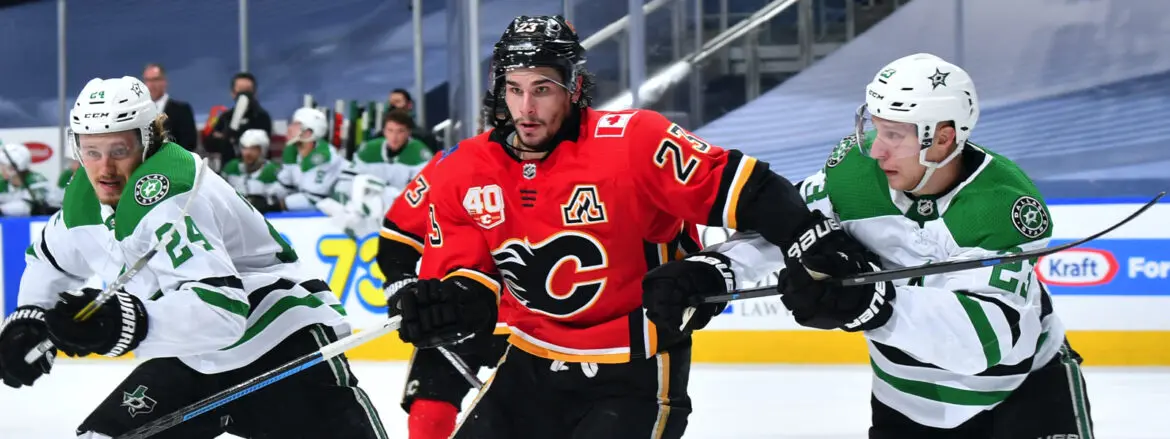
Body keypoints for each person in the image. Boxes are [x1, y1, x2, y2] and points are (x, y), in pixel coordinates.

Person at [389, 15, 825, 438]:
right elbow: (471, 279)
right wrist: (447, 306)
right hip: (529, 362)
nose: (525, 108)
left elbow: (752, 192)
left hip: (631, 370)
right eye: (514, 89)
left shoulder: (634, 141)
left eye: (542, 89)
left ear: (575, 87)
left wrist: (815, 245)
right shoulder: (467, 166)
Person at [654, 53, 1094, 439]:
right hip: (904, 403)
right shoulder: (855, 174)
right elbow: (788, 228)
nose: (877, 150)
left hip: (1023, 398)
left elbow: (984, 342)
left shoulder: (1003, 206)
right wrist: (716, 270)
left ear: (943, 138)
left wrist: (872, 303)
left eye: (895, 136)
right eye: (875, 128)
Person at [0, 76, 388, 438]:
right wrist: (31, 320)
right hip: (192, 356)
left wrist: (124, 324)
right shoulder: (82, 198)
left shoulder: (172, 191)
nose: (104, 169)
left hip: (278, 342)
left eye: (119, 150)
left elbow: (223, 313)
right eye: (91, 150)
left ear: (148, 141)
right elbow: (48, 261)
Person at [377, 150, 511, 439]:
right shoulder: (449, 162)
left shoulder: (553, 164)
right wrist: (401, 284)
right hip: (450, 312)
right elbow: (396, 236)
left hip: (529, 323)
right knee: (429, 412)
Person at [276, 107, 347, 212]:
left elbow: (314, 200)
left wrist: (278, 205)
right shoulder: (293, 152)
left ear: (308, 132)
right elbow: (284, 186)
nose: (290, 128)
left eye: (296, 125)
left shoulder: (324, 155)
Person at [204, 72, 273, 165]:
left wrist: (226, 136)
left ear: (255, 93)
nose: (244, 94)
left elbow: (259, 143)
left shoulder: (262, 116)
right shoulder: (226, 116)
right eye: (240, 90)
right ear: (232, 93)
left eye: (247, 90)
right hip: (228, 167)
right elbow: (211, 144)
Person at [221, 128, 283, 213]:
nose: (247, 153)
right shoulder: (231, 168)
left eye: (253, 149)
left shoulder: (272, 171)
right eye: (245, 148)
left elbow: (277, 201)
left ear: (262, 150)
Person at [142, 63, 198, 152]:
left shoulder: (181, 110)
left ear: (164, 82)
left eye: (155, 80)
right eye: (148, 80)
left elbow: (189, 143)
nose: (151, 85)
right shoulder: (140, 111)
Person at [0, 143, 53, 216]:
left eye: (3, 165)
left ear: (14, 167)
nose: (1, 169)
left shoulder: (36, 180)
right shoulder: (2, 182)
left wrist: (2, 209)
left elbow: (26, 208)